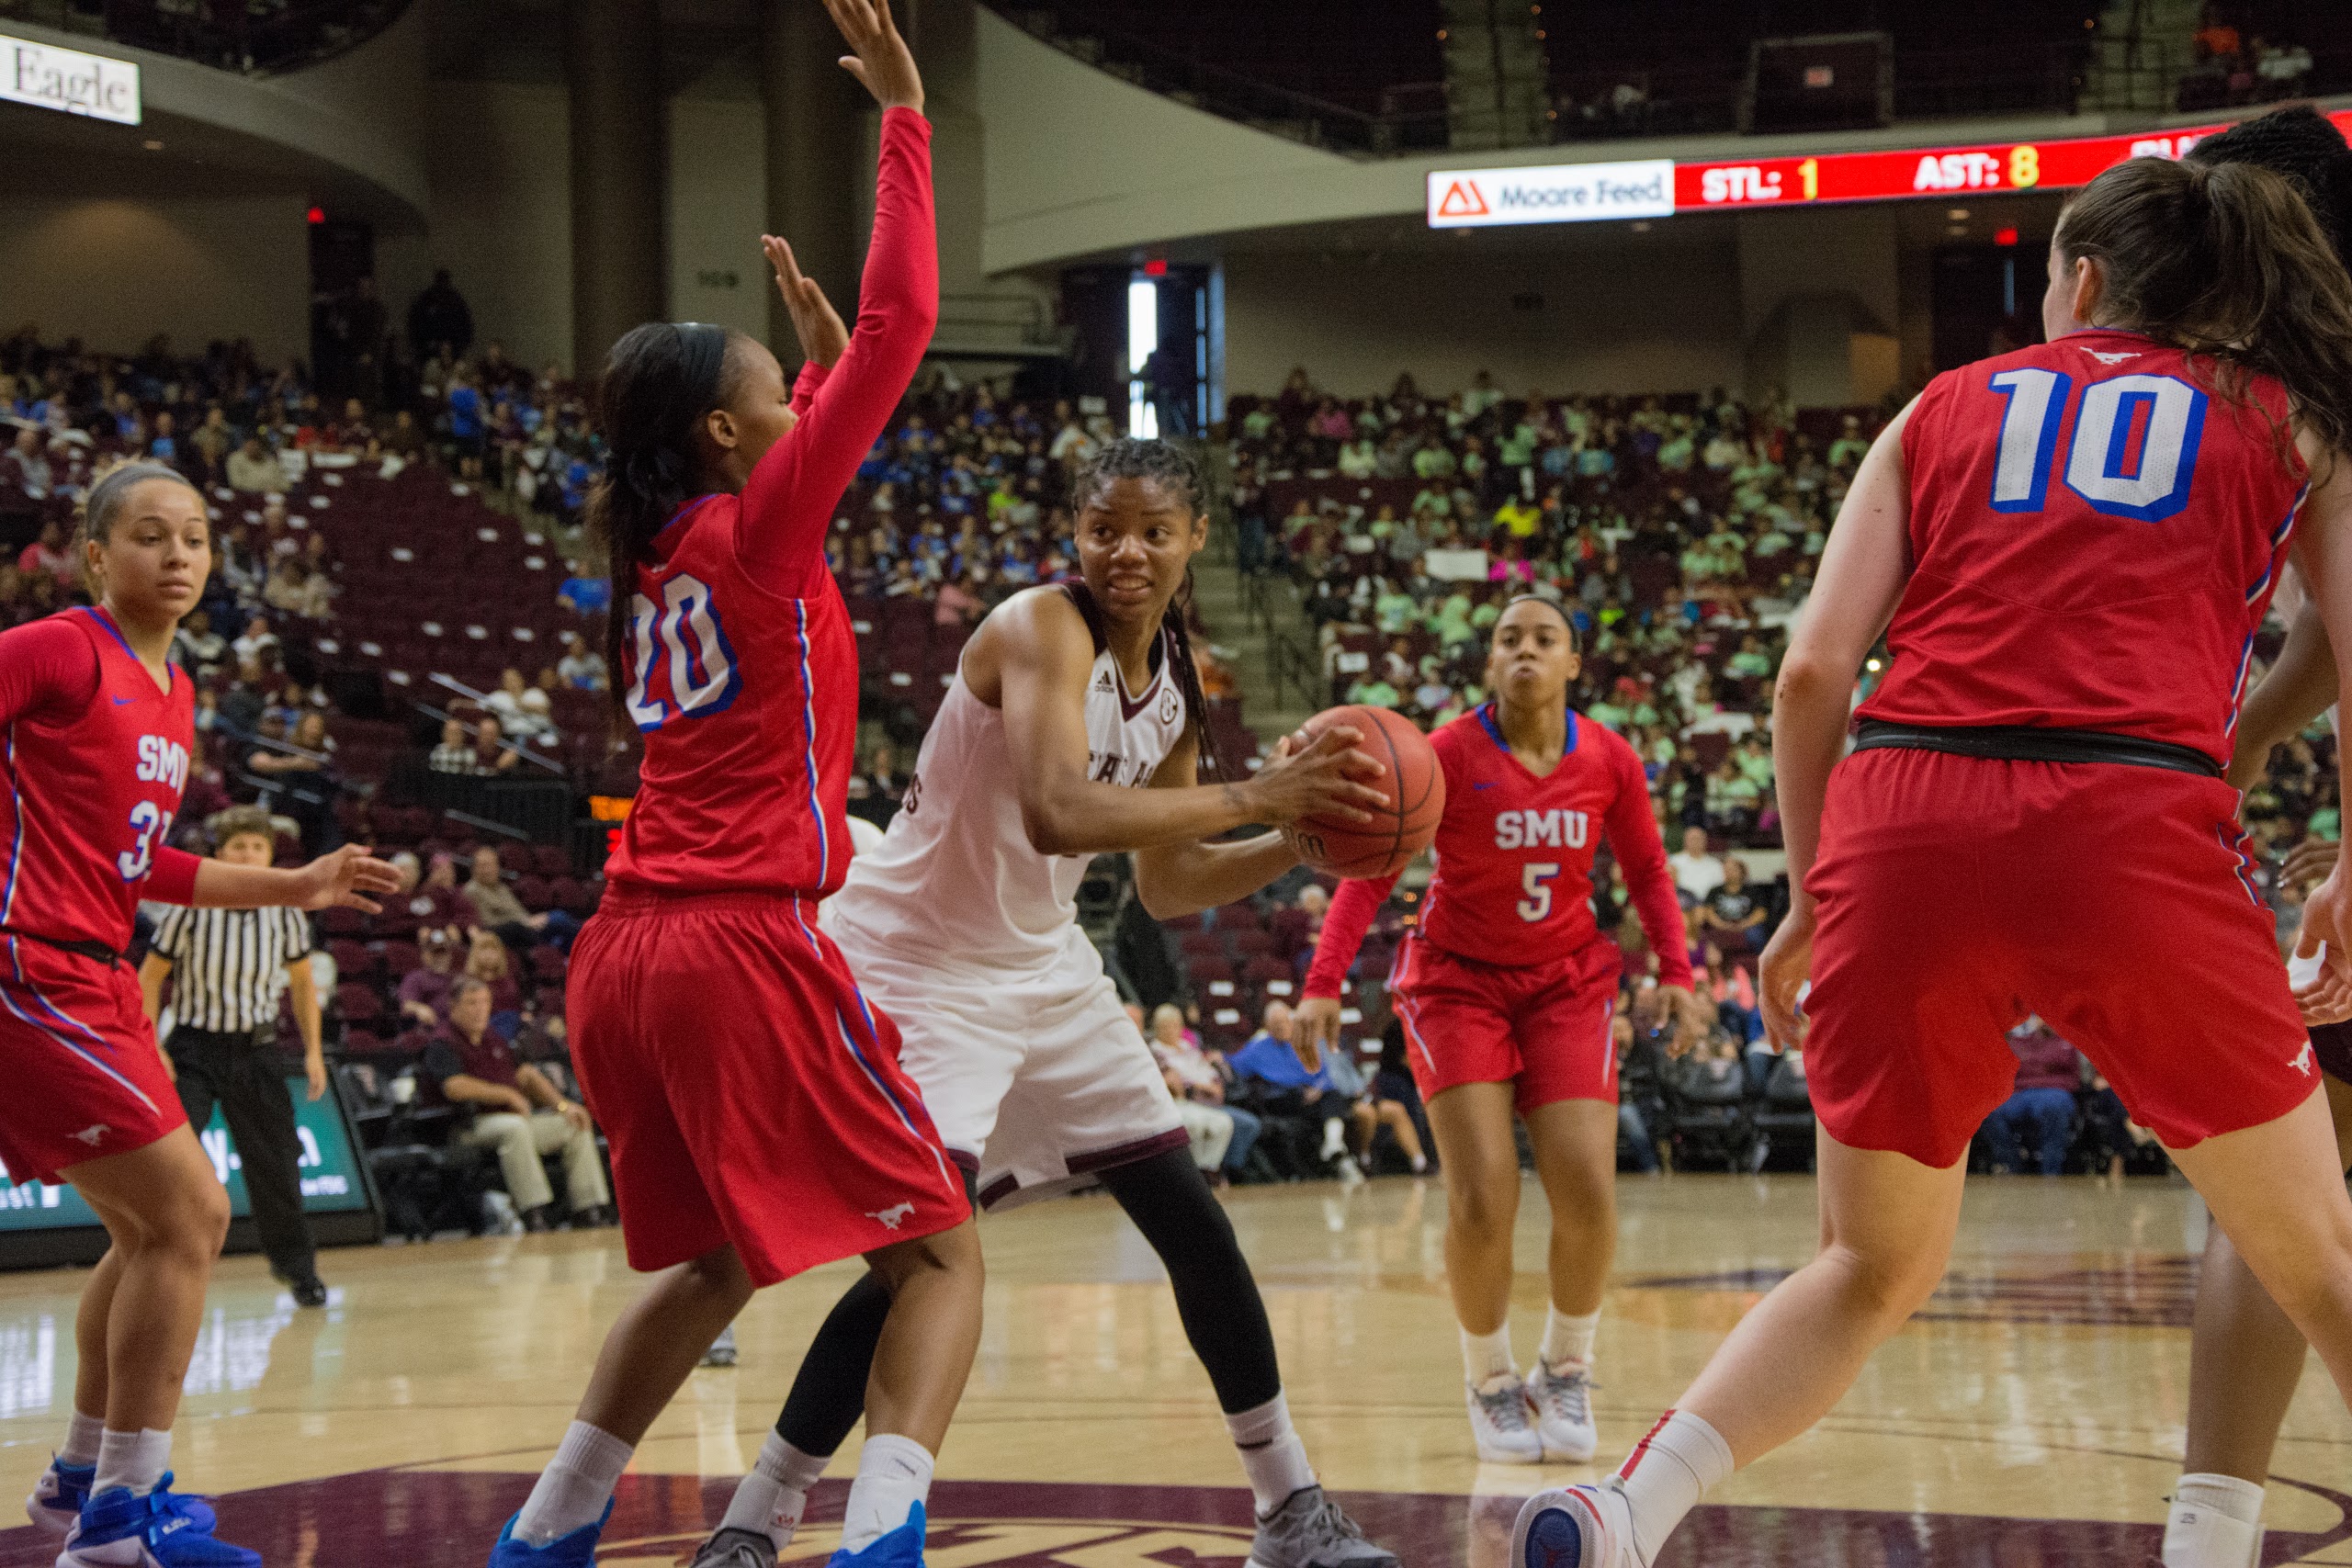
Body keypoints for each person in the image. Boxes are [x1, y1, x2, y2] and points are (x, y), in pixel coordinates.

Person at [1511, 152, 2352, 1568]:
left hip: (1909, 816)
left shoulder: (1937, 403)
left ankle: (1620, 1505)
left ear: (2079, 280)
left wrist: (1808, 886)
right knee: (2316, 1254)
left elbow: (1809, 675)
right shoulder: (2290, 422)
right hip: (2132, 819)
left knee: (1867, 1264)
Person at [491, 8, 985, 1568]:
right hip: (730, 940)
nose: (801, 397)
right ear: (727, 433)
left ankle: (547, 1532)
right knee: (941, 1258)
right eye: (777, 389)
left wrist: (811, 360)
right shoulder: (754, 531)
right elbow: (905, 331)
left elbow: (832, 419)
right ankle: (883, 1537)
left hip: (622, 951)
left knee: (708, 1265)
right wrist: (903, 118)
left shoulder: (656, 550)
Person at [722, 436, 1398, 1568]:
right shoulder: (1040, 625)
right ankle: (761, 1514)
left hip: (1041, 968)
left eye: (1153, 531)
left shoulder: (1175, 682)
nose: (1126, 551)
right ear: (1074, 536)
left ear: (1192, 540)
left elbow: (1170, 882)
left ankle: (1290, 1508)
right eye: (1104, 530)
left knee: (1192, 1220)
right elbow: (1054, 812)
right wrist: (1259, 791)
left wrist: (1294, 840)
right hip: (919, 970)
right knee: (920, 1258)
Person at [5, 464, 396, 1567]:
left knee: (143, 1231)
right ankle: (122, 1522)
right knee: (191, 1214)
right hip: (25, 964)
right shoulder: (61, 647)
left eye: (195, 539)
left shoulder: (173, 690)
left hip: (93, 966)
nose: (177, 556)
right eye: (147, 536)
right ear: (93, 555)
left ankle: (86, 1477)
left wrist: (298, 885)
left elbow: (137, 864)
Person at [1298, 597, 1701, 1467]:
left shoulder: (1611, 757)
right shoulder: (1442, 754)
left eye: (1543, 638)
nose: (1524, 650)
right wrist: (1322, 980)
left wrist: (1678, 972)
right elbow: (1373, 872)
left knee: (1589, 1188)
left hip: (1566, 983)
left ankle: (1565, 1364)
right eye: (1507, 639)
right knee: (1485, 1192)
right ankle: (1488, 1376)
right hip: (1457, 984)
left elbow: (1647, 869)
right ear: (1489, 664)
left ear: (1572, 663)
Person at [2163, 106, 2352, 1568]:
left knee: (2280, 1196)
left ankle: (2211, 1533)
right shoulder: (2302, 395)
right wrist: (2257, 735)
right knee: (2290, 1192)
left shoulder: (2291, 396)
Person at [137, 805, 331, 1307]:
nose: (248, 855)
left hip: (258, 1048)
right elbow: (151, 977)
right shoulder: (190, 908)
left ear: (270, 857)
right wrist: (152, 1043)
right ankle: (146, 1258)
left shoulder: (285, 911)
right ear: (219, 855)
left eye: (258, 847)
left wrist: (313, 1052)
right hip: (194, 1048)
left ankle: (298, 1269)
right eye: (238, 846)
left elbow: (304, 985)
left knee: (278, 1167)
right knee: (168, 1161)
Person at [423, 976, 611, 1232]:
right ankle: (534, 1212)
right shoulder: (442, 1043)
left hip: (513, 1121)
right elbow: (454, 1086)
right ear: (453, 1006)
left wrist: (564, 1106)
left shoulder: (495, 1039)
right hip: (466, 1126)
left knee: (573, 1124)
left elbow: (527, 1075)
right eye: (471, 1003)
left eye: (484, 1002)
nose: (480, 1010)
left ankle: (589, 1209)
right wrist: (507, 1095)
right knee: (514, 1128)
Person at [1232, 1000, 1427, 1176]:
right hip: (1291, 1099)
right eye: (1276, 1025)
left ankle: (1420, 1163)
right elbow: (1232, 1062)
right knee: (1362, 1112)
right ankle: (1362, 1159)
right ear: (1267, 1027)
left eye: (1284, 1022)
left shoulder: (1313, 1044)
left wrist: (1322, 1087)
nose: (1282, 1027)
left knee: (1393, 1109)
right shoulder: (1258, 1048)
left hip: (1333, 1096)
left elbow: (1327, 1076)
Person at [1977, 1016, 2083, 1175]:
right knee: (1989, 1112)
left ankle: (2050, 1171)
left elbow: (2074, 1076)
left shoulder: (2066, 1040)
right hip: (2019, 1091)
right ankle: (2013, 1166)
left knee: (2053, 1107)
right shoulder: (2018, 1039)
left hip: (2054, 1090)